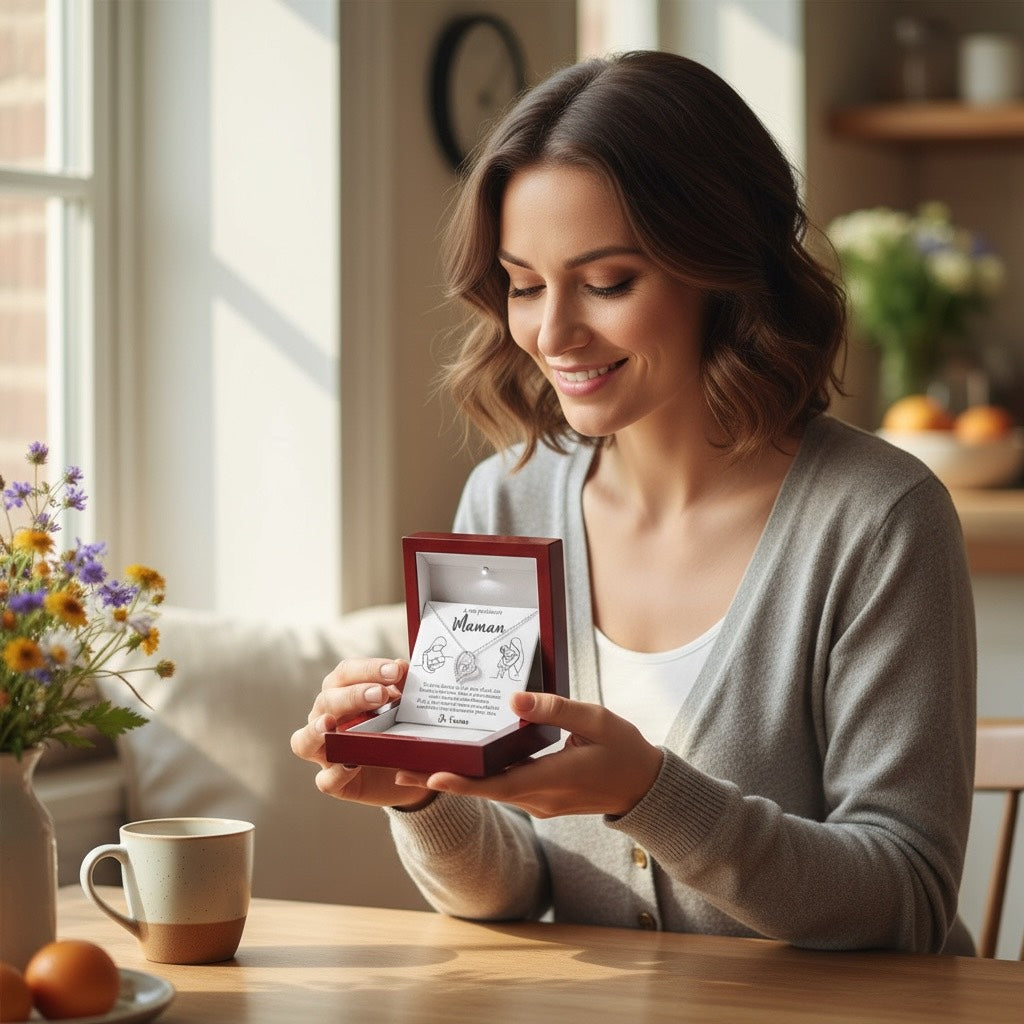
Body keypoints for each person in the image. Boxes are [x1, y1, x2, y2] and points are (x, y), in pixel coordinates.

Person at [291, 51, 976, 954]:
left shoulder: (878, 520)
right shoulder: (507, 500)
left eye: (607, 283)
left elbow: (908, 902)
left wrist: (648, 793)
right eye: (524, 285)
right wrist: (423, 795)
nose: (553, 332)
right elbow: (517, 889)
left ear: (723, 268)